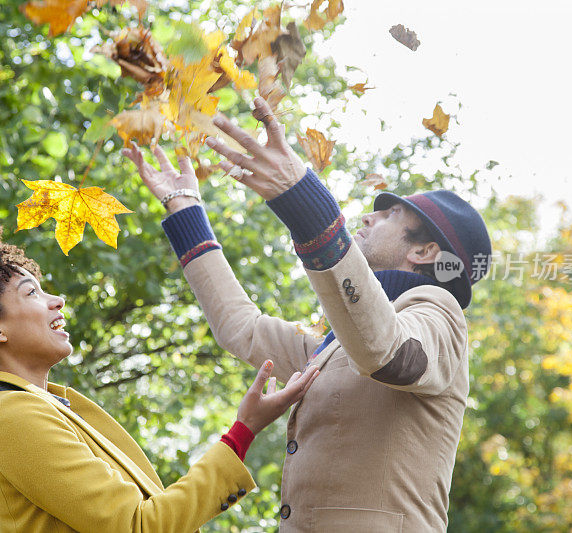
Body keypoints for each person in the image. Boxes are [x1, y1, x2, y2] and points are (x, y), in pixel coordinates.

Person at [123, 96, 493, 532]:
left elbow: (387, 350)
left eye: (391, 213)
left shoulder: (440, 314)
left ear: (424, 251)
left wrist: (304, 199)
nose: (371, 217)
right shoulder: (335, 341)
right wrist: (185, 209)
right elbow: (242, 330)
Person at [0, 228, 319, 533]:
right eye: (31, 292)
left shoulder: (42, 405)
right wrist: (242, 432)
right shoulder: (13, 417)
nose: (56, 300)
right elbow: (140, 526)